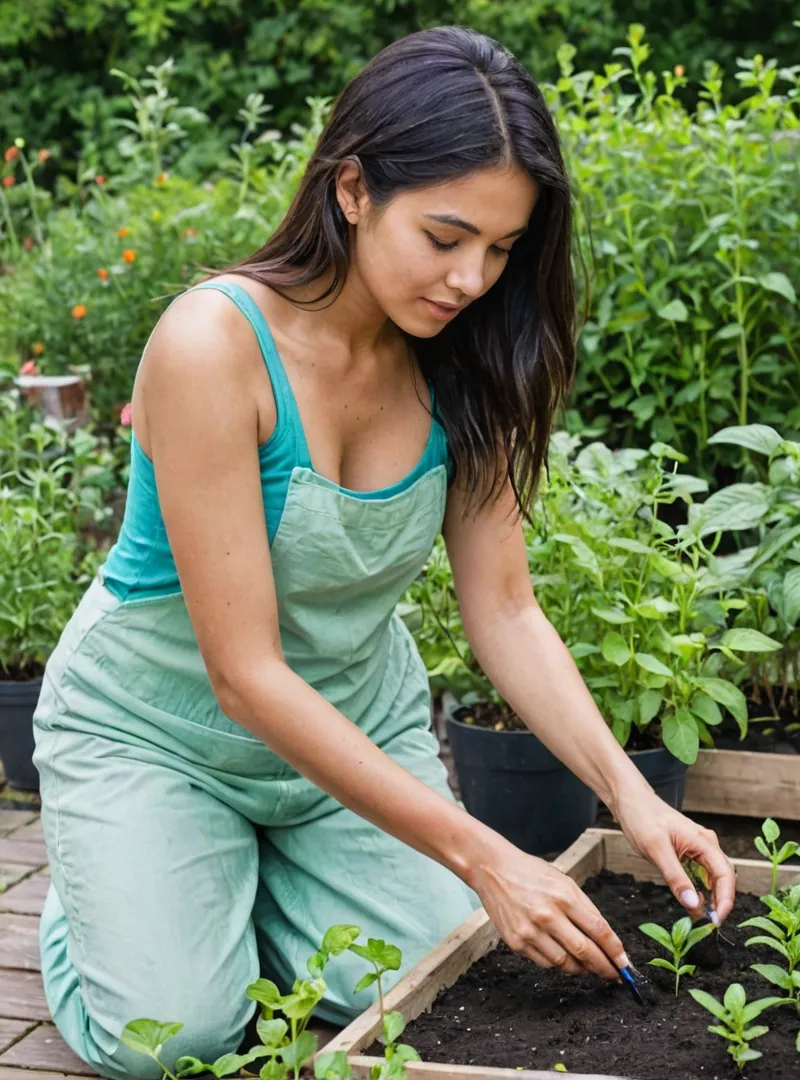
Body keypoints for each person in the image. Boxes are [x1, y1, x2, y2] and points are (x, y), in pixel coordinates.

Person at [33, 25, 736, 1080]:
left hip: (351, 738)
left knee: (444, 972)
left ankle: (235, 886)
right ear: (353, 188)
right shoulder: (215, 345)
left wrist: (632, 800)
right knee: (172, 1041)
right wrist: (485, 853)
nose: (471, 278)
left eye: (502, 250)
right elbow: (245, 672)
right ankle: (116, 884)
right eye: (447, 235)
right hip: (158, 736)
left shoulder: (470, 364)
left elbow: (506, 612)